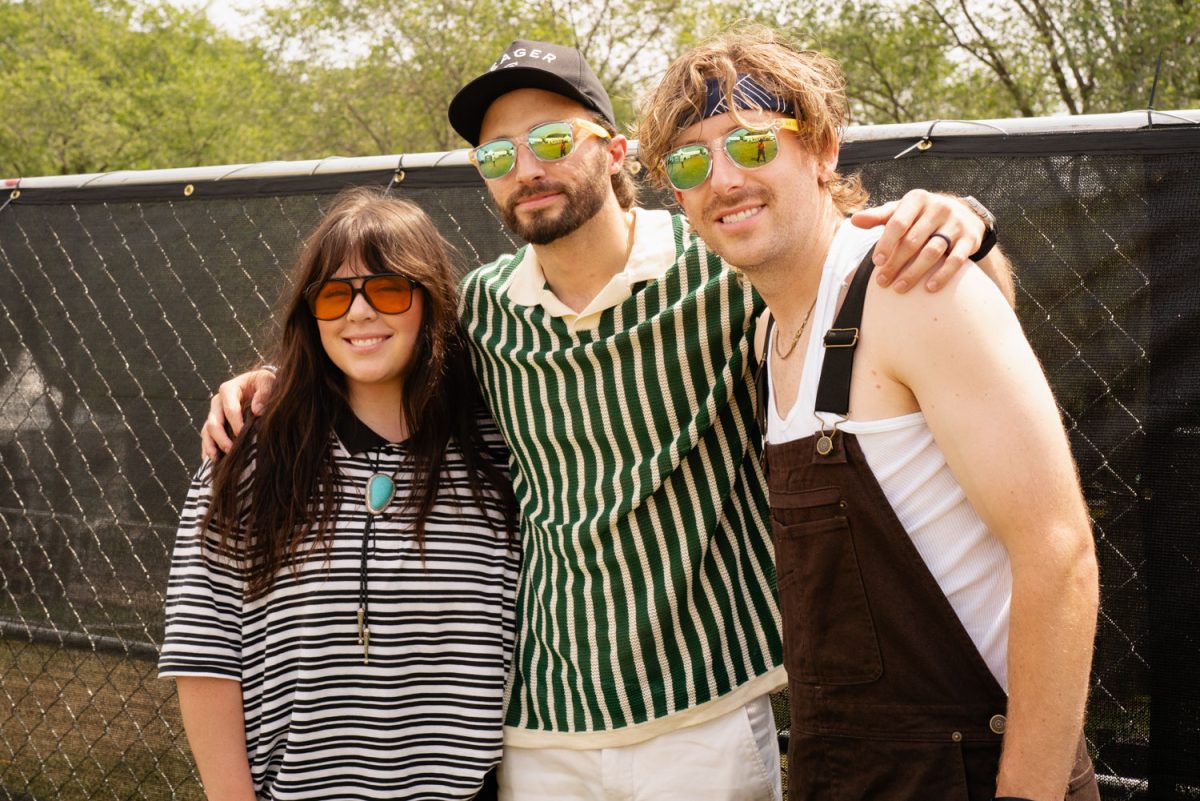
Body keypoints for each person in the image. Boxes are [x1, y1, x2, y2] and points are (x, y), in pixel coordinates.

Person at [202, 40, 1005, 800]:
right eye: (497, 154)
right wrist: (271, 382)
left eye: (552, 139)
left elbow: (864, 263)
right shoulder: (482, 310)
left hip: (707, 709)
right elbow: (373, 353)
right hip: (540, 724)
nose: (527, 168)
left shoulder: (720, 268)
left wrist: (962, 222)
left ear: (616, 151)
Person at [636, 26, 1100, 801]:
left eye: (749, 145)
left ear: (821, 150)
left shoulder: (908, 286)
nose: (722, 179)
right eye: (690, 161)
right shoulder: (766, 337)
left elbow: (1060, 554)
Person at [161, 188, 519, 801]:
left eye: (386, 289)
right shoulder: (249, 457)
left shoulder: (505, 450)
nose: (358, 313)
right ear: (312, 314)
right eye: (334, 295)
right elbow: (203, 653)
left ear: (429, 302)